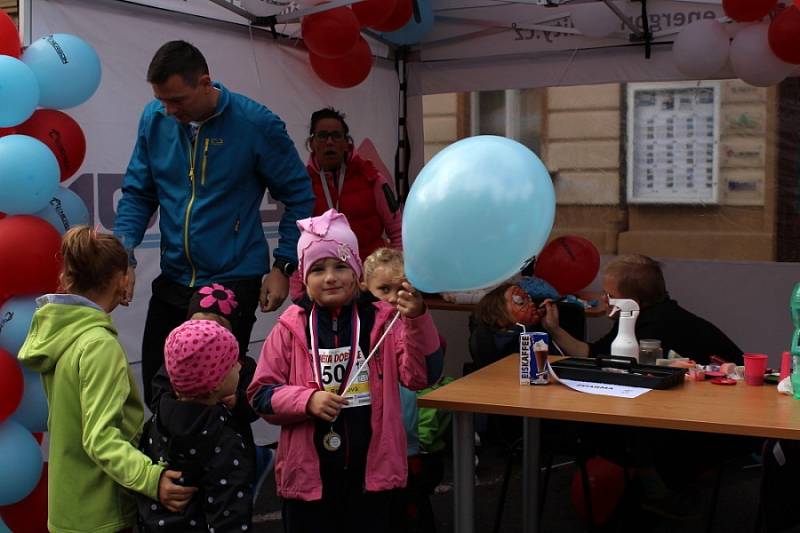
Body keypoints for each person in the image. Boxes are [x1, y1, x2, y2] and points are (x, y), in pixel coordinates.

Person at [114, 40, 315, 406]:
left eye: (177, 100)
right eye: (161, 100)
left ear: (205, 83)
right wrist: (122, 255)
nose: (168, 109)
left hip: (231, 276)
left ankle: (234, 463)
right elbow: (138, 193)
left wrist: (284, 265)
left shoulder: (257, 124)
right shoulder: (154, 118)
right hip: (175, 275)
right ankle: (167, 465)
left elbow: (299, 196)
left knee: (217, 396)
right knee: (160, 389)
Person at [247, 209, 441, 533]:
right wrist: (306, 401)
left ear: (356, 273)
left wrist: (418, 318)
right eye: (318, 269)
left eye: (340, 266)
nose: (330, 277)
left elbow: (422, 376)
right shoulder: (289, 328)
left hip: (372, 478)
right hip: (309, 483)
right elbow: (260, 395)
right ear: (305, 279)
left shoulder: (384, 321)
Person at [17, 226, 195, 533]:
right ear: (121, 279)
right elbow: (100, 437)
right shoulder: (98, 345)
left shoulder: (63, 333)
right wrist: (151, 479)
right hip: (100, 515)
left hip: (69, 510)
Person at [137, 320, 255, 532]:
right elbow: (230, 515)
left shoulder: (158, 420)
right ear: (216, 382)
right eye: (232, 362)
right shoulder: (223, 438)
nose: (239, 365)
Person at [361, 247, 445, 533]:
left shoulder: (413, 322)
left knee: (414, 508)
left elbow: (430, 371)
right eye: (383, 289)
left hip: (411, 442)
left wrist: (419, 317)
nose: (393, 298)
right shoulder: (362, 328)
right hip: (377, 443)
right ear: (364, 287)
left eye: (401, 289)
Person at [542, 254, 743, 365]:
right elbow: (594, 353)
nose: (604, 300)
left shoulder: (656, 328)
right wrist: (555, 329)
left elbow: (607, 363)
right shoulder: (638, 317)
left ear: (633, 301)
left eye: (610, 295)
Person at [306, 107, 401, 260]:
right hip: (328, 279)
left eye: (336, 136)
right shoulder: (303, 185)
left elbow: (398, 233)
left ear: (346, 143)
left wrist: (395, 274)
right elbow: (296, 243)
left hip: (370, 277)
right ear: (312, 143)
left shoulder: (372, 179)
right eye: (322, 136)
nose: (329, 142)